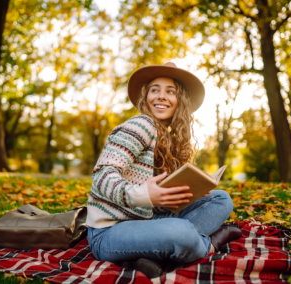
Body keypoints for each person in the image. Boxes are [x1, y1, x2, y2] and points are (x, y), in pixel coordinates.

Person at [86, 62, 242, 278]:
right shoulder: (141, 124)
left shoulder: (168, 138)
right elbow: (101, 177)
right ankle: (209, 243)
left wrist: (190, 191)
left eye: (171, 91)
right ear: (145, 97)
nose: (161, 96)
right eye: (154, 90)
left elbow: (154, 206)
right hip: (109, 232)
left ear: (180, 101)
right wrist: (145, 195)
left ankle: (150, 256)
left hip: (146, 222)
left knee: (221, 199)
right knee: (181, 232)